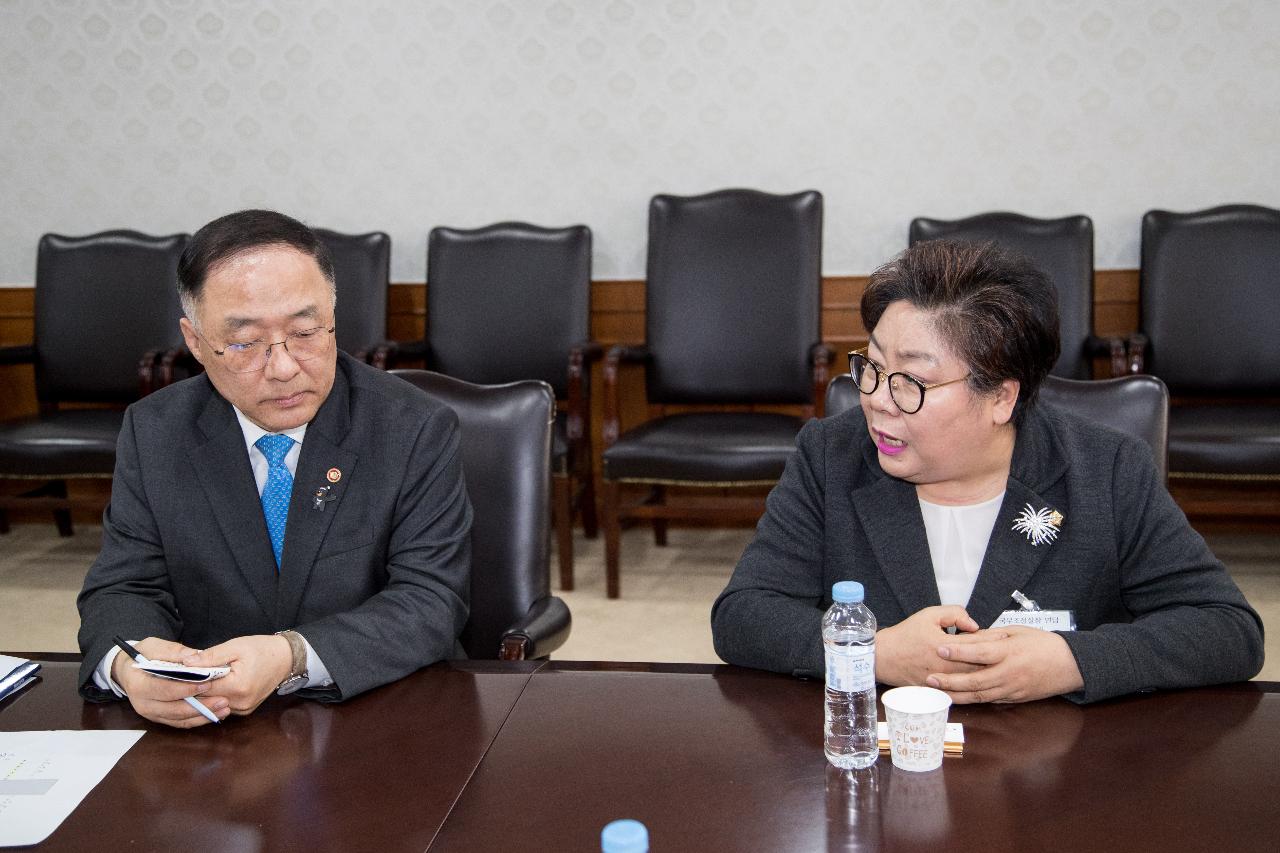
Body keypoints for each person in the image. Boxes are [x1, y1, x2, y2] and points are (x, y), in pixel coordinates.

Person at [711, 239, 1263, 704]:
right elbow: (743, 616)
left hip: (1057, 783)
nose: (877, 400)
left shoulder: (1107, 470)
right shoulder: (831, 456)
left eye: (912, 382)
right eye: (873, 368)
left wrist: (1073, 660)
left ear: (1000, 397)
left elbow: (1227, 630)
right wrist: (870, 651)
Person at [77, 209, 472, 727]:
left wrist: (292, 655)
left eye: (306, 332)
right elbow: (123, 587)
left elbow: (431, 600)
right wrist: (133, 667)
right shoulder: (156, 431)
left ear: (333, 318)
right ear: (196, 343)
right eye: (244, 343)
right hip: (213, 728)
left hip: (383, 713)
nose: (284, 367)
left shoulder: (413, 426)